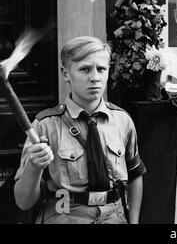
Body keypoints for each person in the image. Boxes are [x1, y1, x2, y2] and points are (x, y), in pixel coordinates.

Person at [14, 36, 146, 224]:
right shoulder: (45, 126)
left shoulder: (122, 121)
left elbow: (134, 176)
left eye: (101, 69)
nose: (95, 77)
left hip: (114, 218)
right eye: (84, 69)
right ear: (66, 73)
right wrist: (34, 167)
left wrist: (133, 222)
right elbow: (23, 202)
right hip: (65, 215)